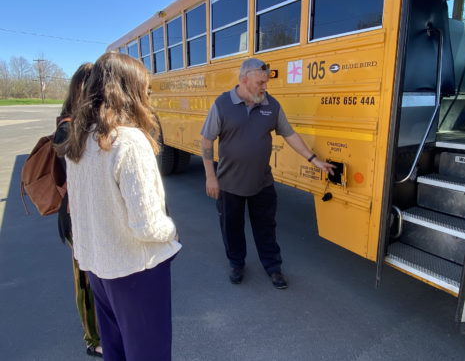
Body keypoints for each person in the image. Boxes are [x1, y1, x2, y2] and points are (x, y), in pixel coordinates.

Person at [56, 52, 181, 361]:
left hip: (99, 266)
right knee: (149, 352)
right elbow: (149, 225)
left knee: (116, 349)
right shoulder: (129, 141)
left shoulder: (80, 139)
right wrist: (172, 230)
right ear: (130, 90)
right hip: (135, 268)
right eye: (146, 89)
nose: (148, 96)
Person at [201, 58, 335, 289]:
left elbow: (289, 134)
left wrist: (313, 159)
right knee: (231, 227)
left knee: (266, 227)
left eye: (266, 82)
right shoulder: (222, 104)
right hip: (229, 183)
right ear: (244, 80)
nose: (265, 87)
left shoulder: (271, 105)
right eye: (261, 82)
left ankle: (273, 267)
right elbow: (207, 139)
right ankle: (236, 263)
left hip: (262, 182)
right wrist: (211, 177)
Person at [54, 62, 103, 358]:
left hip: (94, 215)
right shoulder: (67, 129)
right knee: (85, 280)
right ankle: (92, 337)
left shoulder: (91, 124)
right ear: (82, 88)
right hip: (76, 218)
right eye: (96, 85)